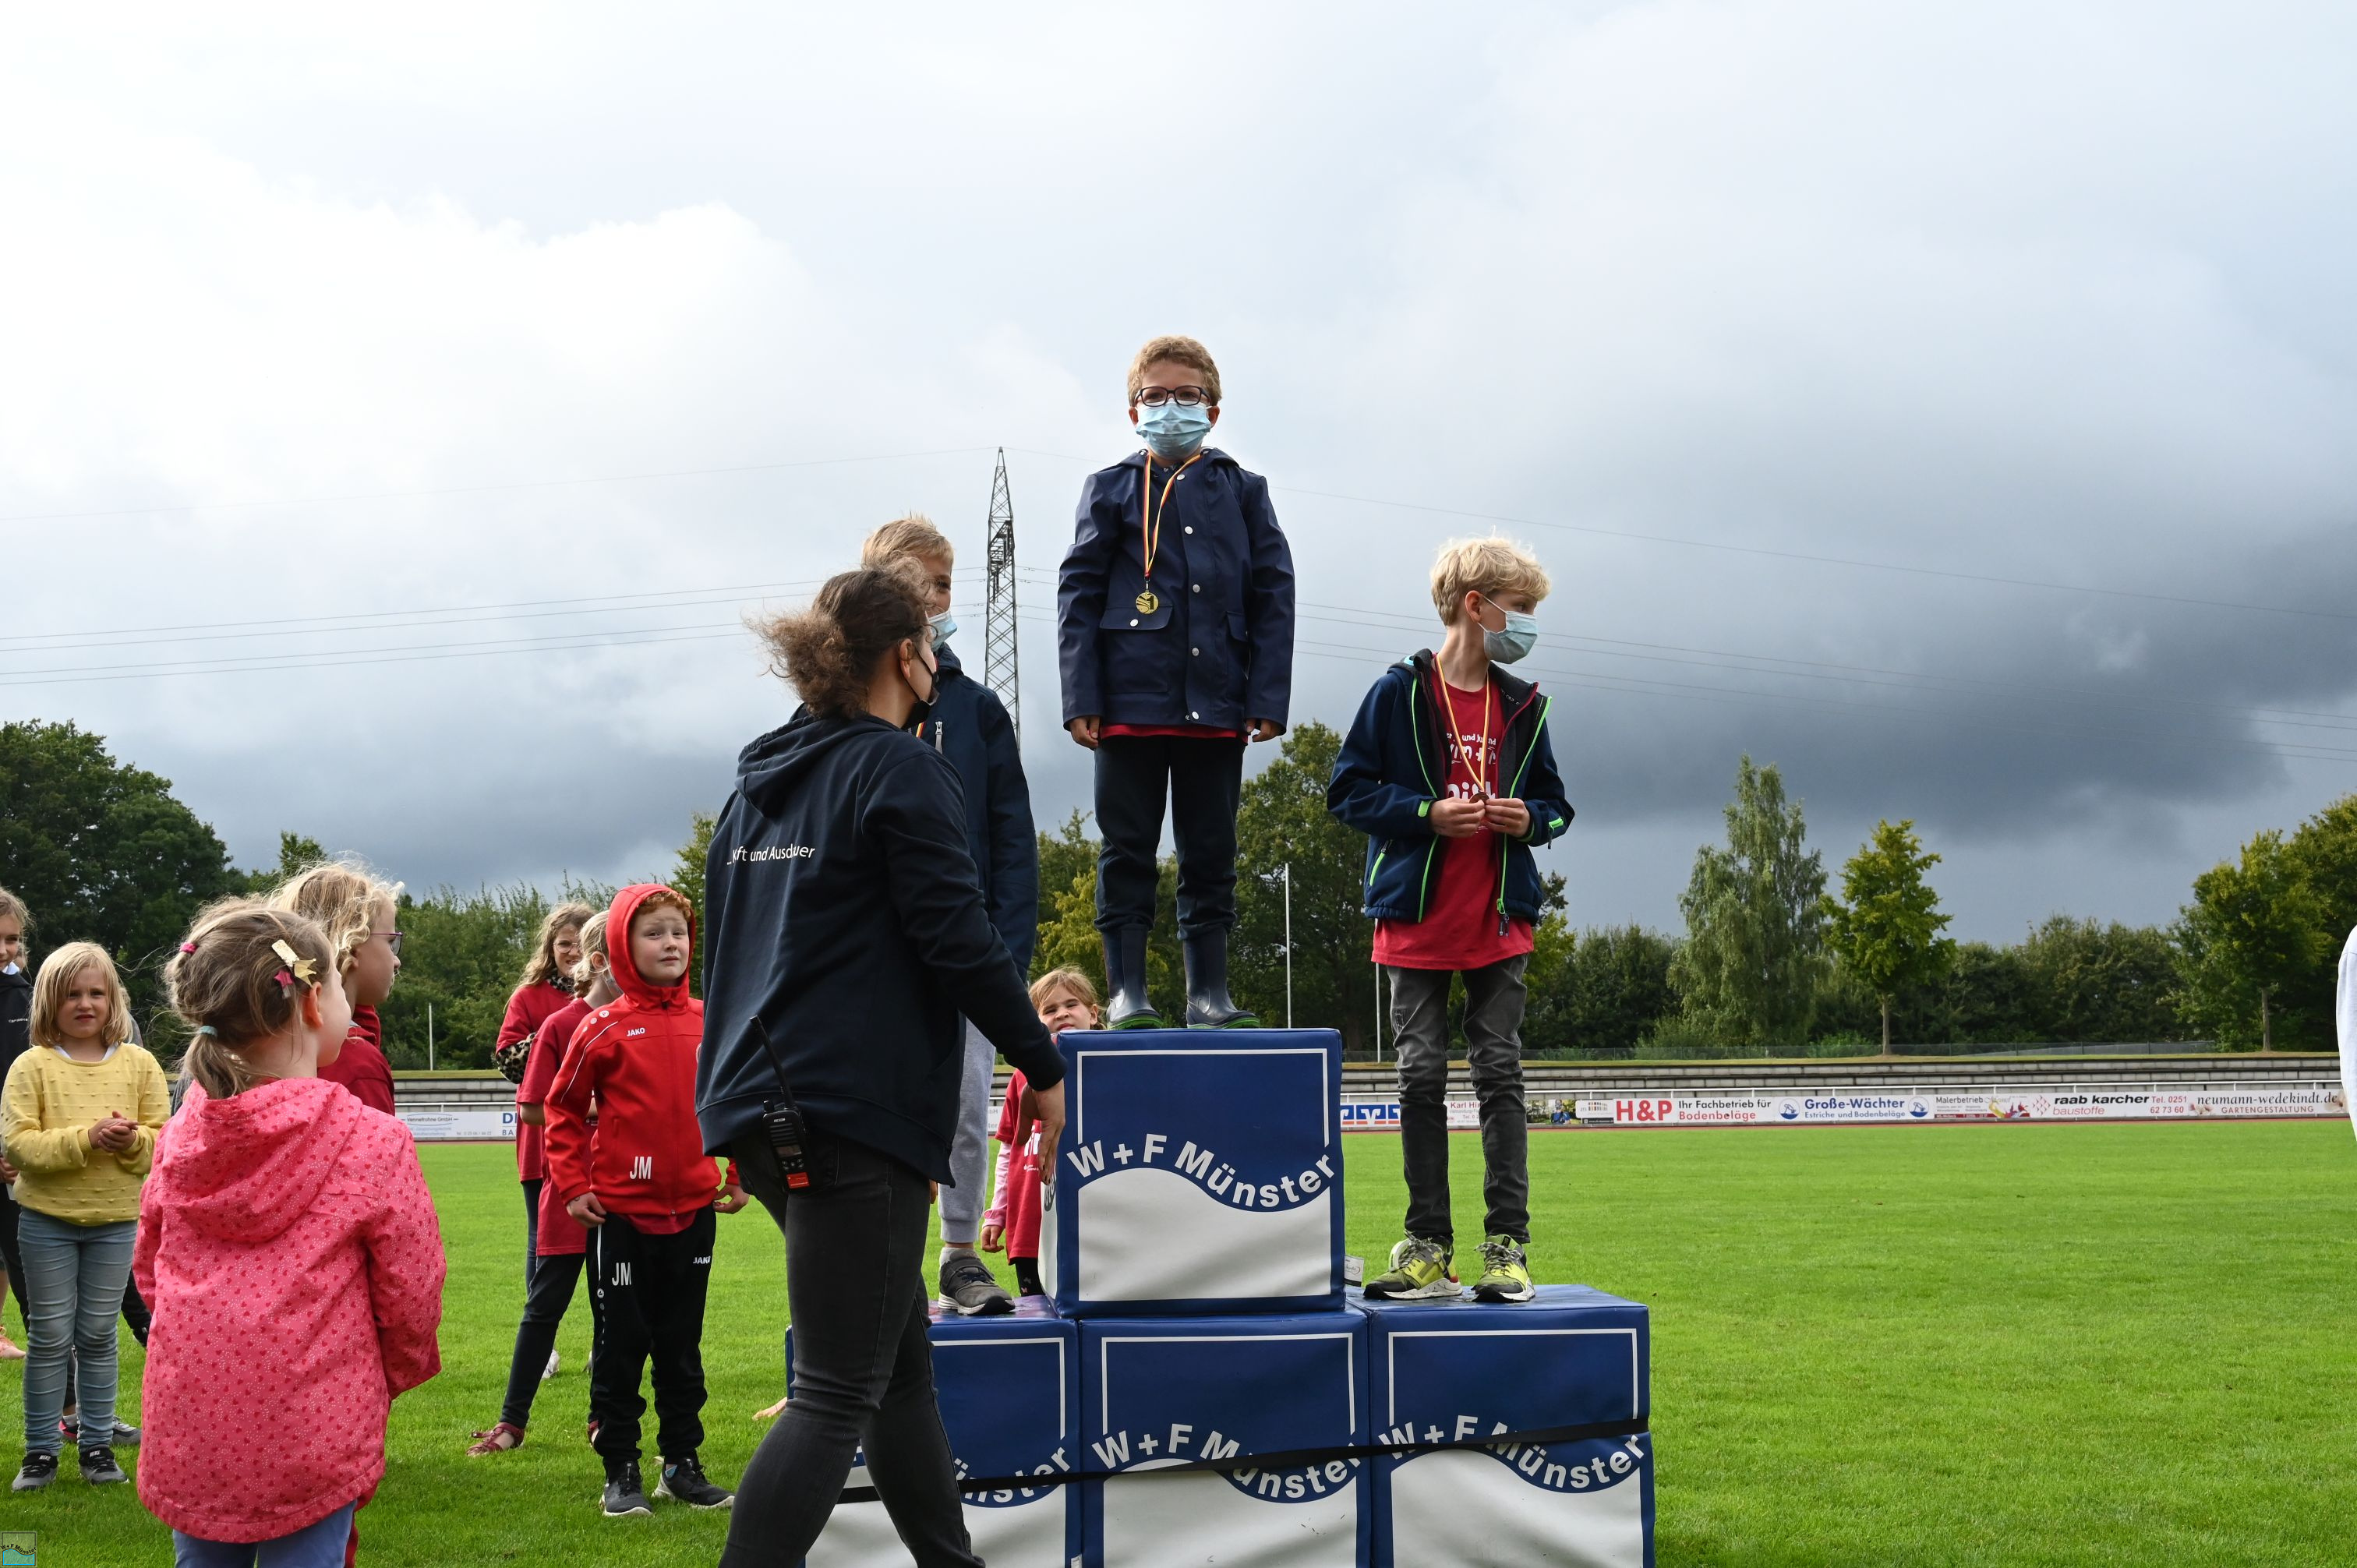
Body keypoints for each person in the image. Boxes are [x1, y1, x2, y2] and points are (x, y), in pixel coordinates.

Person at [697, 564, 1071, 1566]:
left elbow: (724, 953)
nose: (939, 663)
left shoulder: (752, 790)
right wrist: (1040, 1064)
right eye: (931, 647)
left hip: (756, 1102)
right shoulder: (900, 766)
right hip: (847, 1112)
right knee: (834, 1391)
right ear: (907, 656)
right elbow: (959, 936)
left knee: (896, 1372)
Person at [135, 899, 444, 1564]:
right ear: (310, 1001)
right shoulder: (371, 1140)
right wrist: (384, 1374)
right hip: (317, 1418)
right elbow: (412, 1291)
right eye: (334, 984)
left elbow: (150, 1269)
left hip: (195, 1414)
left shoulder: (181, 1135)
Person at [1327, 535, 1574, 1306]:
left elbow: (1558, 807)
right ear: (1476, 605)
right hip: (1416, 919)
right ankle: (1429, 1247)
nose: (1528, 623)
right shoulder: (1397, 692)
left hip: (1499, 918)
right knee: (1419, 1078)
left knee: (1500, 1073)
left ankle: (1508, 1250)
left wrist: (1529, 819)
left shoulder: (1524, 703)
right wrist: (1425, 813)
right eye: (1520, 608)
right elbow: (1346, 792)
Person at [1056, 334, 1296, 1029]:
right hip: (1127, 704)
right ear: (1133, 409)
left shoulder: (1245, 492)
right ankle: (1127, 992)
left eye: (1186, 396)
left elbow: (1274, 594)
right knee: (1126, 850)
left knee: (1211, 852)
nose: (1170, 408)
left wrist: (1265, 697)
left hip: (1218, 704)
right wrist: (1082, 698)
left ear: (1212, 410)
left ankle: (1208, 995)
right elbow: (1078, 592)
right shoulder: (1109, 488)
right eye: (1155, 396)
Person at [860, 514, 1039, 1318]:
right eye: (927, 583)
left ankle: (960, 1254)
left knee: (966, 1108)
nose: (941, 599)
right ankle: (885, 1261)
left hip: (966, 950)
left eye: (946, 584)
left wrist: (1008, 952)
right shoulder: (848, 707)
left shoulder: (975, 709)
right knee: (879, 1107)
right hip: (875, 955)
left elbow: (1012, 838)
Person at [544, 884, 745, 1519]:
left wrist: (738, 1173)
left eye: (678, 932)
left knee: (682, 1346)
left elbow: (737, 1100)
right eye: (653, 933)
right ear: (621, 948)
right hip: (623, 1218)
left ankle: (682, 1464)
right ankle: (621, 1469)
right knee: (623, 1344)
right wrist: (574, 1185)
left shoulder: (712, 1021)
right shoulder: (600, 1028)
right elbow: (560, 1109)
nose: (670, 943)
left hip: (694, 1214)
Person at [3, 942, 169, 1491]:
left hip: (116, 1221)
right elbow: (19, 1145)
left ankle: (97, 1446)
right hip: (46, 1221)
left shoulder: (140, 1064)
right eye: (71, 994)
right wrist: (87, 1138)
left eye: (96, 993)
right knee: (50, 1335)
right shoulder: (32, 1066)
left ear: (113, 1000)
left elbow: (162, 1142)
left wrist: (130, 1142)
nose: (85, 1004)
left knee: (99, 1334)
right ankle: (40, 1451)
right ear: (49, 1002)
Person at [468, 910, 613, 1456]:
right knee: (545, 1300)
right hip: (567, 1182)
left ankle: (605, 1419)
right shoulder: (553, 1018)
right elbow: (532, 1103)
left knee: (615, 1307)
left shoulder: (636, 1019)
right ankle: (512, 1422)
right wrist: (601, 1108)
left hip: (624, 1185)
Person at [496, 901, 592, 1346]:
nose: (573, 952)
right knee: (543, 1241)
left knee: (606, 1244)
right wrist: (557, 1032)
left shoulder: (614, 996)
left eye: (581, 942)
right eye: (564, 943)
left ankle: (604, 1341)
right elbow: (507, 1061)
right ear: (550, 948)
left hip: (603, 1140)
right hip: (543, 1140)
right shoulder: (529, 998)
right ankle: (544, 1343)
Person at [983, 969, 1100, 1298]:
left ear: (1093, 1013)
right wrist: (998, 1212)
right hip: (1030, 1227)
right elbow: (1009, 1151)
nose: (1062, 1013)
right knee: (1038, 1316)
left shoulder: (1109, 1069)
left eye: (1071, 1004)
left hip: (1093, 1225)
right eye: (1049, 1010)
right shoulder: (1022, 1077)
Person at [270, 862, 402, 1117]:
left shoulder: (270, 1039)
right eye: (390, 942)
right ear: (352, 947)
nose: (396, 960)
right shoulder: (357, 1064)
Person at [0, 885, 34, 1361]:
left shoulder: (26, 1000)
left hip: (15, 1161)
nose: (5, 950)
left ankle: (66, 1395)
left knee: (27, 1274)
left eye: (12, 939)